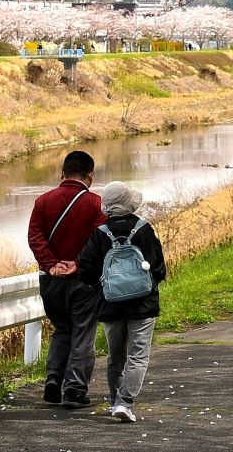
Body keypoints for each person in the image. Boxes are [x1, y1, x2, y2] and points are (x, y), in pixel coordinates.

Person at [76, 181, 167, 423]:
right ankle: (125, 402)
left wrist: (104, 282)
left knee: (116, 356)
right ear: (129, 202)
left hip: (110, 303)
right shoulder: (144, 229)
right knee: (138, 355)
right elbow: (159, 268)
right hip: (143, 304)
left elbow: (85, 270)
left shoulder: (100, 232)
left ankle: (116, 399)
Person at [27, 150, 107, 409]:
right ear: (90, 176)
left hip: (51, 282)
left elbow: (35, 236)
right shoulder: (96, 204)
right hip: (83, 281)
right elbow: (99, 241)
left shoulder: (43, 201)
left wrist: (51, 265)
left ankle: (53, 379)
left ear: (62, 173)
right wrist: (78, 264)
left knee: (62, 329)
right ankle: (74, 390)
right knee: (83, 333)